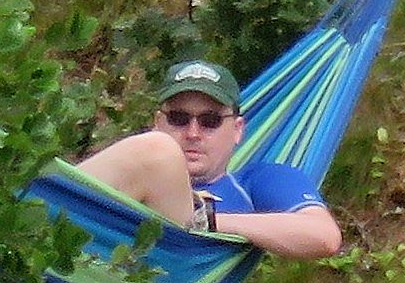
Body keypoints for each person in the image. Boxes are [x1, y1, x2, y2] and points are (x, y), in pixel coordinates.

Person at [69, 60, 342, 257]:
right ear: (158, 122)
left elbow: (323, 236)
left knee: (159, 150)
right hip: (86, 263)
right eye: (178, 118)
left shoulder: (256, 182)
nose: (193, 133)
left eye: (210, 121)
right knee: (157, 151)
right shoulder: (139, 160)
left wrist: (205, 220)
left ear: (237, 130)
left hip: (174, 278)